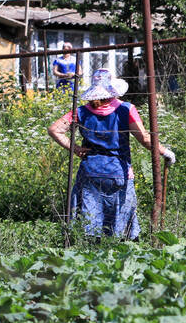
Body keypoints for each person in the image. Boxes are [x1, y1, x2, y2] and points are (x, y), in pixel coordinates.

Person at [48, 68, 175, 240]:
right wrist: (165, 152)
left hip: (90, 171)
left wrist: (76, 149)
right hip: (118, 171)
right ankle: (121, 247)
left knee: (90, 219)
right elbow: (145, 140)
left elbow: (54, 130)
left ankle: (89, 249)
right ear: (112, 89)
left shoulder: (81, 112)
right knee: (122, 216)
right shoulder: (126, 109)